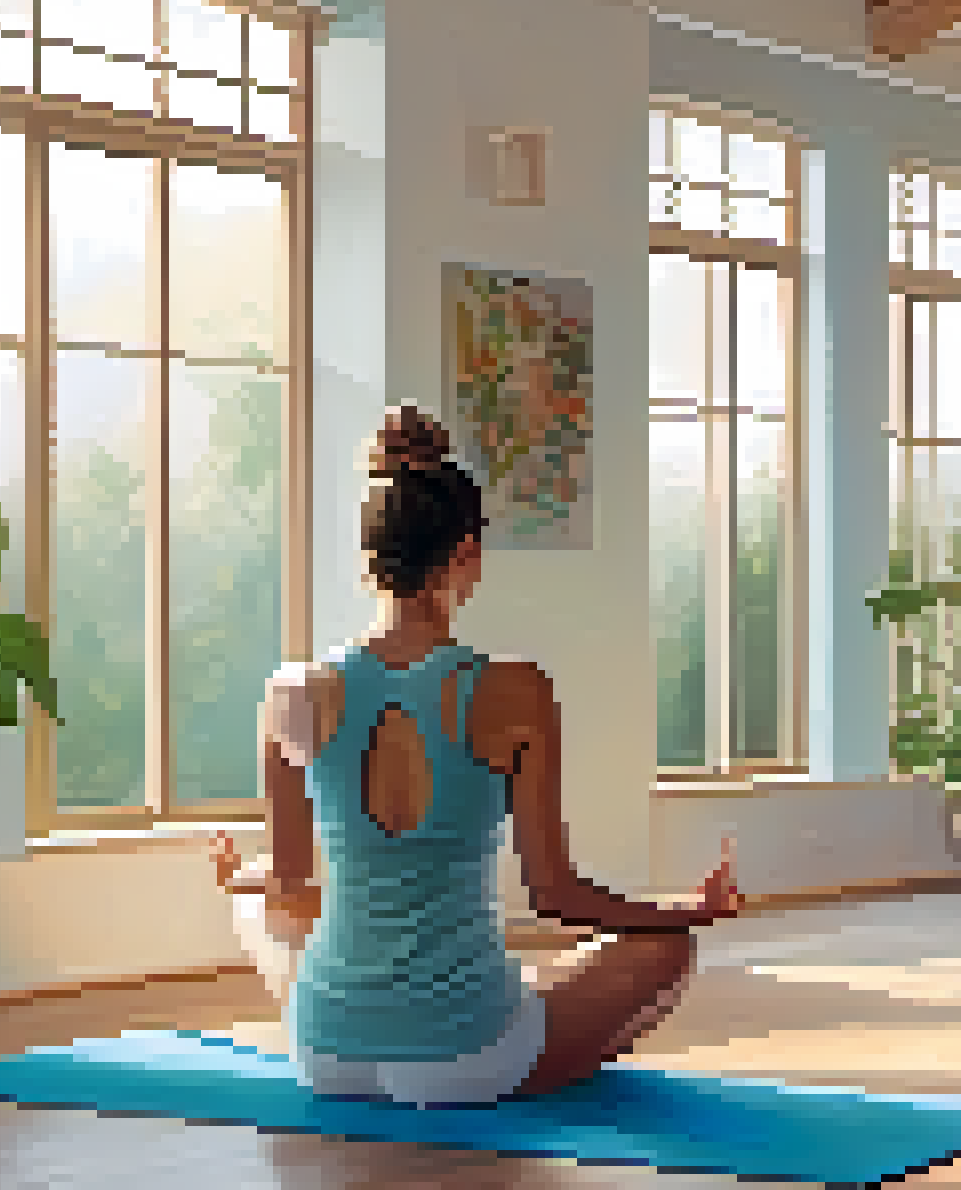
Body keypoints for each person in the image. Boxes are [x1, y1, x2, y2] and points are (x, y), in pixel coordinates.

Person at [210, 401, 741, 1108]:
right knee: (664, 951)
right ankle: (483, 1034)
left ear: (371, 559)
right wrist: (684, 912)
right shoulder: (518, 692)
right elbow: (554, 893)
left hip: (324, 1055)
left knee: (262, 911)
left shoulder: (291, 693)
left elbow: (288, 879)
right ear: (464, 554)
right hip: (466, 1058)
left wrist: (239, 878)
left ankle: (365, 1023)